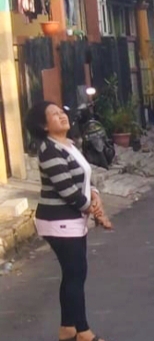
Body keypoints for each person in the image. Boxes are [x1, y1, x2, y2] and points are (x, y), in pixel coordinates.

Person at [27, 101, 113, 341]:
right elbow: (67, 190)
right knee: (75, 275)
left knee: (74, 274)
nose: (61, 116)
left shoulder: (69, 145)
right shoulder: (49, 150)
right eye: (54, 115)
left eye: (61, 112)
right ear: (44, 125)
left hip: (73, 219)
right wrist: (96, 212)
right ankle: (83, 331)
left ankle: (67, 328)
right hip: (59, 221)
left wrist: (95, 195)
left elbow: (84, 177)